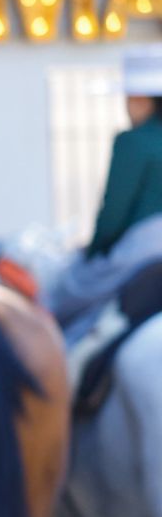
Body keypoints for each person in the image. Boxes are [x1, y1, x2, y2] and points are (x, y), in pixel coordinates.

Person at [45, 44, 162, 343]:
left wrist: (93, 254)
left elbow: (113, 214)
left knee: (64, 298)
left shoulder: (132, 142)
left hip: (147, 246)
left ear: (139, 99)